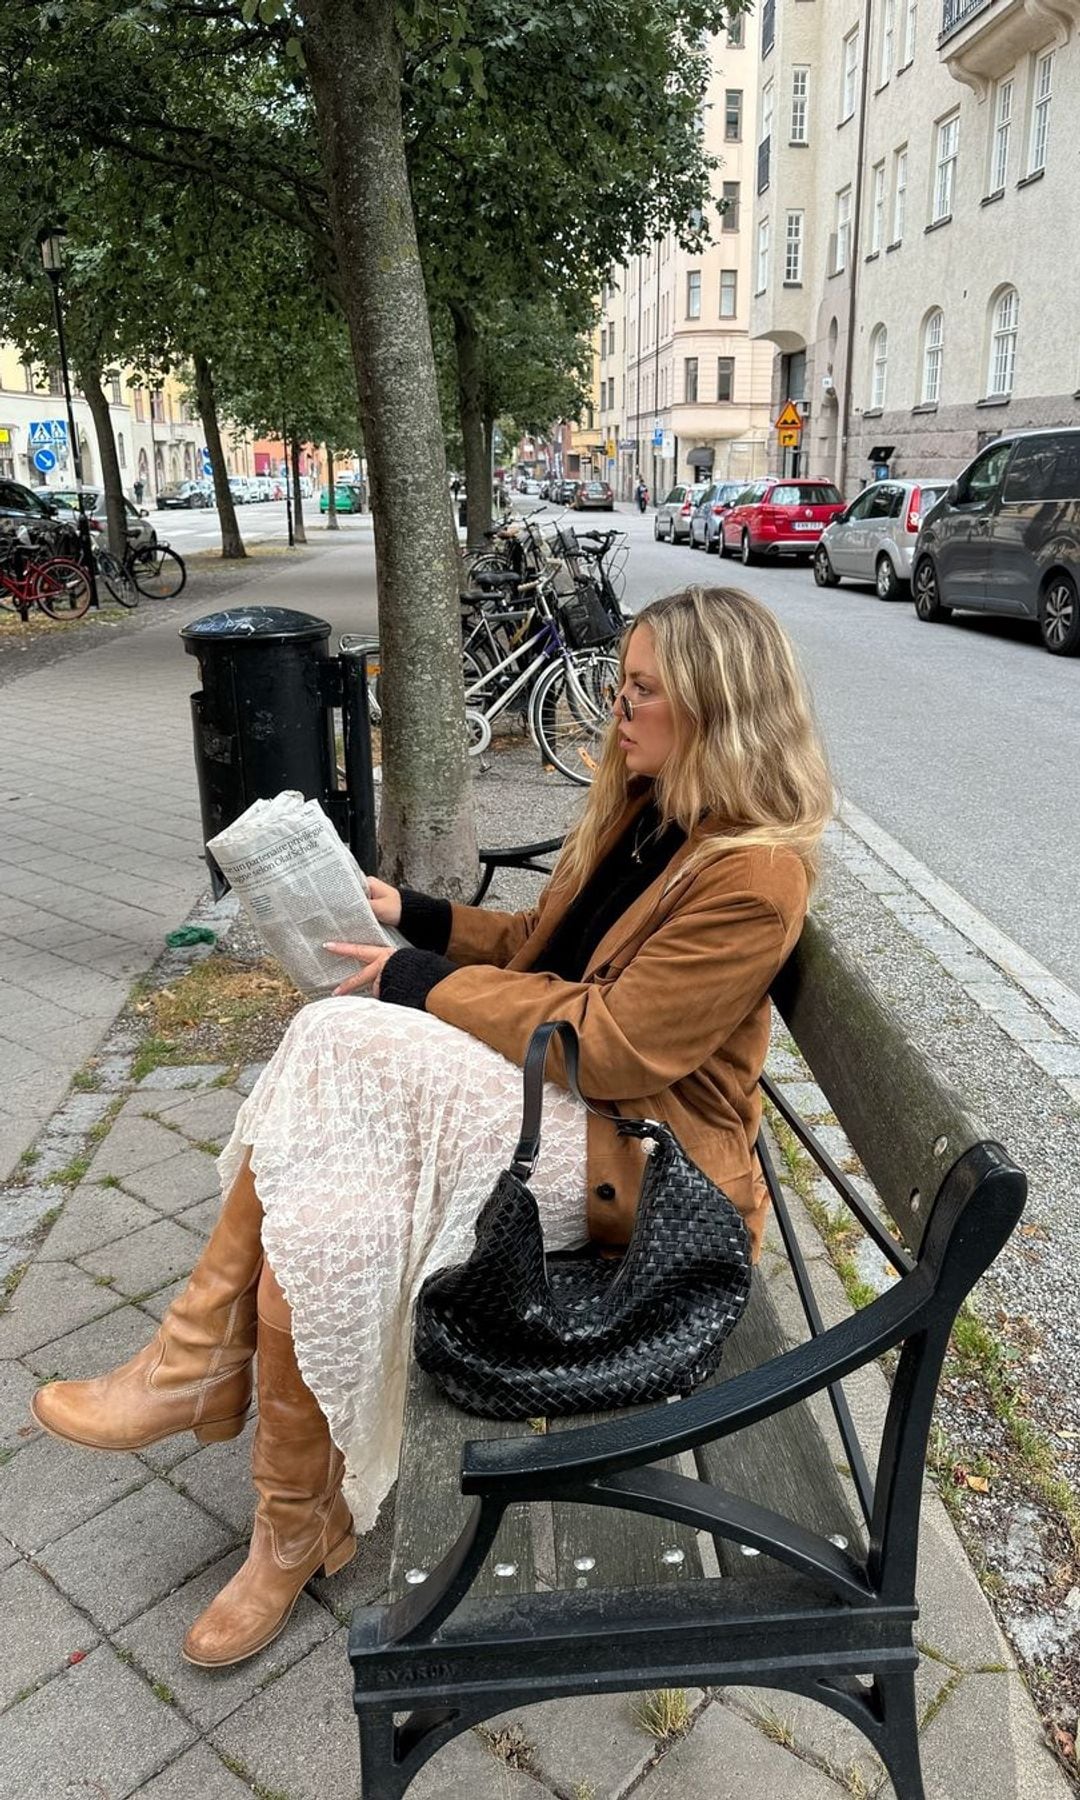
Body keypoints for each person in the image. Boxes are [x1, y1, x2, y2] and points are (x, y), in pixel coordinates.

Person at [31, 586, 832, 1671]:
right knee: (334, 1205)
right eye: (624, 682)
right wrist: (415, 916)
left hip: (641, 1165)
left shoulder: (754, 871)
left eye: (643, 690)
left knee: (341, 1038)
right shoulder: (654, 809)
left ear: (718, 707)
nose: (617, 706)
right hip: (567, 1113)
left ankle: (202, 1372)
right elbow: (548, 945)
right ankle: (290, 1519)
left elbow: (615, 1046)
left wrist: (412, 981)